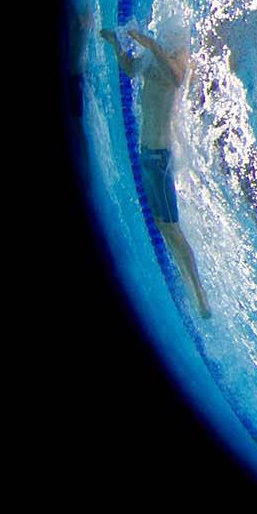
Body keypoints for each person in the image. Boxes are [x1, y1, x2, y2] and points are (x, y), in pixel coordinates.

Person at [102, 24, 212, 317]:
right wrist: (116, 44)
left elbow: (177, 78)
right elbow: (130, 69)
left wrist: (151, 44)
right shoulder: (154, 58)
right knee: (162, 226)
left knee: (172, 227)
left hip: (161, 155)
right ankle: (185, 278)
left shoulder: (175, 60)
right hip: (145, 153)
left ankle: (200, 291)